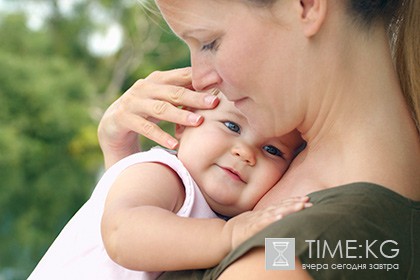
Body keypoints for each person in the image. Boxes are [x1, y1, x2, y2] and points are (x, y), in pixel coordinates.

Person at [97, 0, 420, 279]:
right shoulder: (300, 160)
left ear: (306, 5)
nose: (199, 78)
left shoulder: (296, 252)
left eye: (209, 42)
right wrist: (123, 158)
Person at [28, 91, 308, 280]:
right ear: (183, 124)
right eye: (231, 126)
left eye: (273, 149)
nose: (245, 153)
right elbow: (121, 232)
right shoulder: (162, 172)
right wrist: (229, 235)